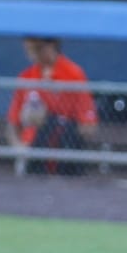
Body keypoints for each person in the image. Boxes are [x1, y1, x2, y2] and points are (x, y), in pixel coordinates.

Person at [6, 36, 99, 175]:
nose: (32, 55)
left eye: (37, 49)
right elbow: (12, 124)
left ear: (52, 46)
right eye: (29, 50)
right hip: (33, 154)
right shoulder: (26, 77)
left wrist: (59, 120)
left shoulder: (73, 74)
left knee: (57, 122)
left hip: (64, 154)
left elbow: (88, 126)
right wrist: (19, 149)